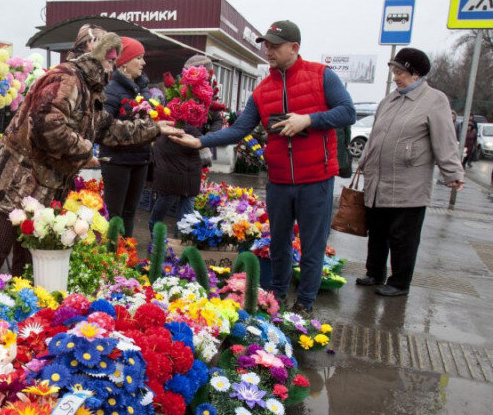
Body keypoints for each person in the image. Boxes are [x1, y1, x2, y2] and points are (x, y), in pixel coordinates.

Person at [168, 20, 356, 316]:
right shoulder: (263, 90)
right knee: (278, 244)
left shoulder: (322, 76)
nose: (268, 50)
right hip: (280, 180)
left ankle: (305, 303)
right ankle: (278, 298)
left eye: (274, 45)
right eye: (266, 44)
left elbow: (347, 111)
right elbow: (240, 128)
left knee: (312, 246)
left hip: (316, 178)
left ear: (294, 47)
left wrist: (308, 120)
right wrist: (200, 141)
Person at [0, 28, 181, 278]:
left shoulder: (89, 89)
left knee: (28, 258)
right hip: (14, 180)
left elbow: (109, 128)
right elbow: (46, 125)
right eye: (111, 58)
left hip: (40, 186)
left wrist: (153, 129)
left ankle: (17, 312)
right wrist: (83, 151)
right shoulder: (67, 78)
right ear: (93, 53)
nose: (113, 65)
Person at [356, 47, 464, 297]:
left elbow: (444, 139)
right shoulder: (390, 100)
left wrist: (453, 172)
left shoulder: (434, 100)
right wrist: (363, 161)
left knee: (402, 236)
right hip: (379, 181)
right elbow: (376, 136)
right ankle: (375, 272)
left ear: (416, 74)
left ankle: (399, 283)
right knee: (378, 231)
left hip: (409, 183)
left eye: (400, 72)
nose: (395, 77)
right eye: (394, 71)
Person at [101, 37, 180, 237]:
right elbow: (104, 130)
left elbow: (149, 121)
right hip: (117, 162)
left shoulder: (143, 89)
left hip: (141, 159)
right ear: (125, 62)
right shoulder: (111, 92)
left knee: (131, 212)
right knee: (116, 214)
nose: (144, 63)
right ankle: (111, 257)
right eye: (139, 57)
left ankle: (126, 254)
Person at [148, 55, 222, 236]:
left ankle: (180, 239)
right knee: (168, 195)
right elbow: (176, 122)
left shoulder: (207, 94)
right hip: (172, 150)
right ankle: (155, 228)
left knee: (188, 196)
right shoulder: (178, 93)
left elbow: (217, 120)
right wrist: (201, 142)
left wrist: (208, 138)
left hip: (193, 153)